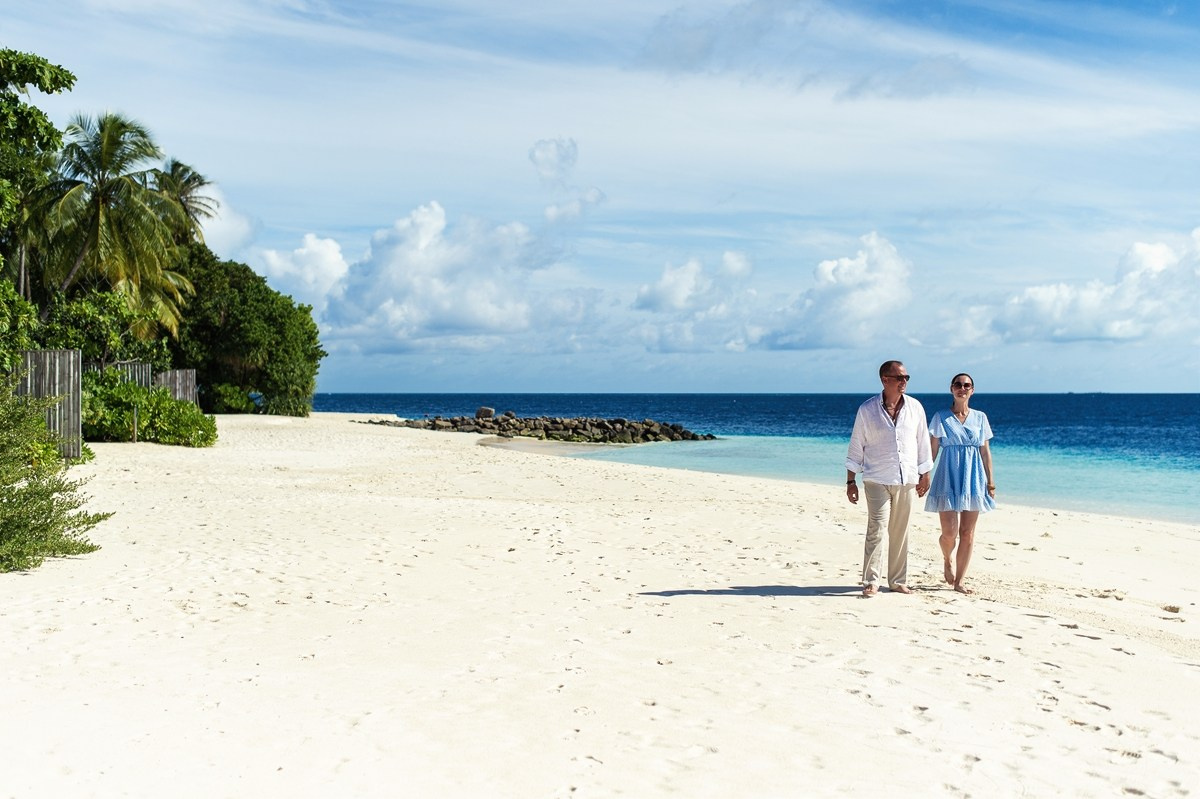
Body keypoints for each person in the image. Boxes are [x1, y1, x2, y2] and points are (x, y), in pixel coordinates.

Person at [845, 360, 932, 597]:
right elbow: (856, 446)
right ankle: (870, 581)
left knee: (900, 530)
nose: (904, 382)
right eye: (900, 378)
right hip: (876, 478)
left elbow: (922, 443)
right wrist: (851, 480)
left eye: (906, 378)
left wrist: (925, 474)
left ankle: (897, 581)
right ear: (885, 380)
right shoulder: (867, 409)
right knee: (877, 527)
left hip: (906, 479)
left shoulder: (915, 408)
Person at [924, 372, 995, 595]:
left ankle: (959, 582)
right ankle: (947, 558)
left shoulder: (980, 417)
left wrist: (990, 483)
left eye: (966, 385)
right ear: (951, 388)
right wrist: (924, 475)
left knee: (968, 533)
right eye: (958, 384)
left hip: (973, 477)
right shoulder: (940, 417)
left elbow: (985, 451)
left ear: (972, 390)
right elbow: (932, 450)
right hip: (947, 474)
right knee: (949, 533)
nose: (962, 388)